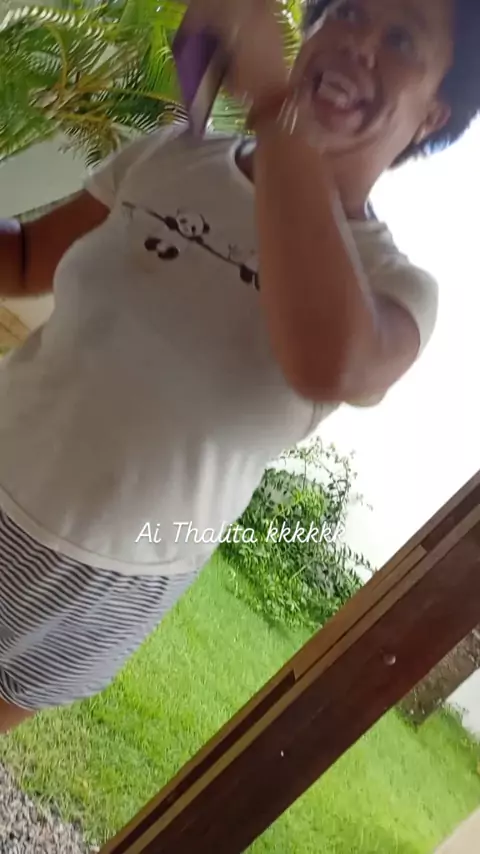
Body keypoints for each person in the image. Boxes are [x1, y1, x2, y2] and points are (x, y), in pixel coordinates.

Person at [0, 0, 479, 734]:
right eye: (348, 12)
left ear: (434, 114)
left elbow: (329, 362)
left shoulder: (395, 286)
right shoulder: (173, 155)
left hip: (116, 577)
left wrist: (275, 107)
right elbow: (27, 257)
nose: (358, 44)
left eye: (401, 39)